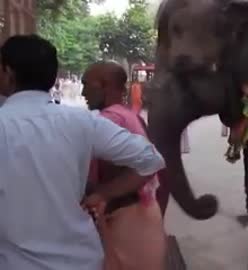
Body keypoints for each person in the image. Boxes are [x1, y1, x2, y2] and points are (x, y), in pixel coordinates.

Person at [0, 34, 166, 270]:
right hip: (81, 260)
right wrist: (105, 193)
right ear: (52, 76)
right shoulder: (83, 122)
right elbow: (151, 159)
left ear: (8, 73)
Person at [83, 61, 167, 270]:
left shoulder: (108, 119)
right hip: (143, 215)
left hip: (127, 221)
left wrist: (102, 193)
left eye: (87, 85)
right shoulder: (130, 115)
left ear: (105, 86)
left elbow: (150, 164)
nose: (83, 92)